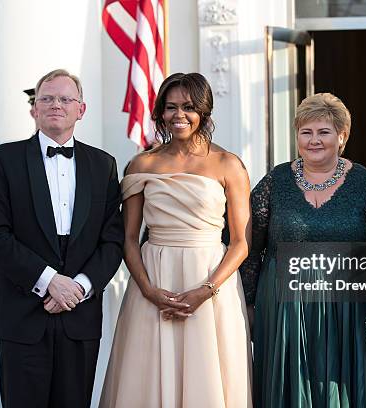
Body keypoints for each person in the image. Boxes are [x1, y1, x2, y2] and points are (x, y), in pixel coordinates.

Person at [99, 72, 252, 407]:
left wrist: (206, 290)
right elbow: (128, 238)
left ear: (204, 111)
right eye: (170, 107)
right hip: (153, 281)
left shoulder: (229, 164)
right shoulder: (143, 163)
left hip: (211, 281)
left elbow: (241, 242)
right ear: (160, 113)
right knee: (146, 378)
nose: (178, 115)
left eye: (188, 106)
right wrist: (149, 290)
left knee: (208, 375)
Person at [0, 69, 124, 408]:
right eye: (46, 98)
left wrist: (79, 287)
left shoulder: (103, 165)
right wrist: (49, 282)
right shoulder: (2, 160)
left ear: (81, 109)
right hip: (22, 317)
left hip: (80, 315)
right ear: (34, 109)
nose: (55, 105)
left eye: (64, 98)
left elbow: (112, 240)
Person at [240, 93, 366, 407]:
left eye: (323, 132)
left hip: (350, 309)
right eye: (305, 132)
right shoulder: (274, 182)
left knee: (348, 388)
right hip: (284, 308)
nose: (314, 140)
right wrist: (249, 304)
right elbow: (251, 249)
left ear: (342, 136)